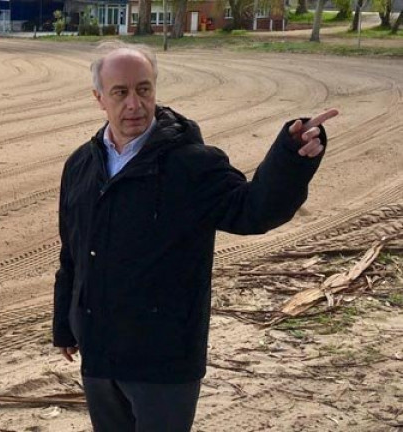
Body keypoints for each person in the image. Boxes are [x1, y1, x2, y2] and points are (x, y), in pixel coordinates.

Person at [53, 42, 338, 432]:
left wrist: (290, 157)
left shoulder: (191, 164)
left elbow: (254, 210)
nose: (134, 103)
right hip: (101, 353)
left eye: (144, 89)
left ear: (155, 89)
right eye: (120, 92)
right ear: (99, 98)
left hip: (165, 358)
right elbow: (73, 252)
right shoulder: (81, 166)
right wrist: (66, 325)